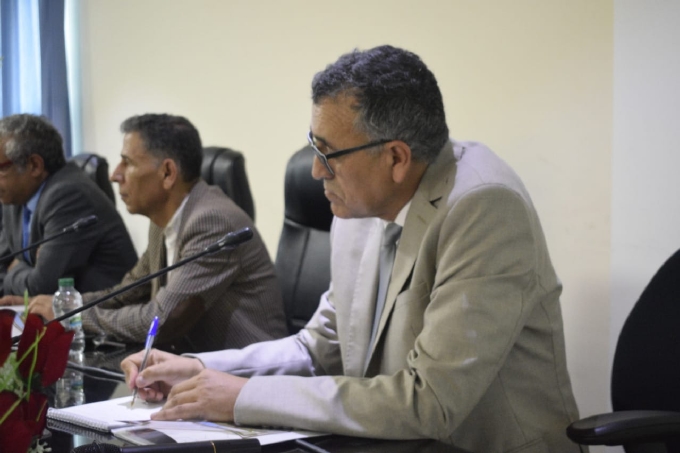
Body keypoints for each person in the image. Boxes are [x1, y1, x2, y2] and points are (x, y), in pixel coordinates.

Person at [121, 47, 582, 451]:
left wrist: (242, 396)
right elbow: (318, 347)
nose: (317, 171)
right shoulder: (357, 207)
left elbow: (430, 401)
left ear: (396, 158)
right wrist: (199, 369)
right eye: (313, 146)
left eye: (328, 153)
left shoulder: (483, 207)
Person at [29, 114, 287, 352]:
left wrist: (72, 317)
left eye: (127, 163)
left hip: (250, 374)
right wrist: (65, 305)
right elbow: (128, 292)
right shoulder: (162, 220)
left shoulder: (211, 222)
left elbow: (161, 320)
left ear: (167, 173)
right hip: (195, 369)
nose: (115, 175)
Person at [0, 114, 137, 298]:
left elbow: (42, 286)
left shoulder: (68, 195)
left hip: (105, 310)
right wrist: (22, 270)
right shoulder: (14, 196)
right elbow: (4, 261)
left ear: (34, 165)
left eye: (1, 167)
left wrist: (14, 271)